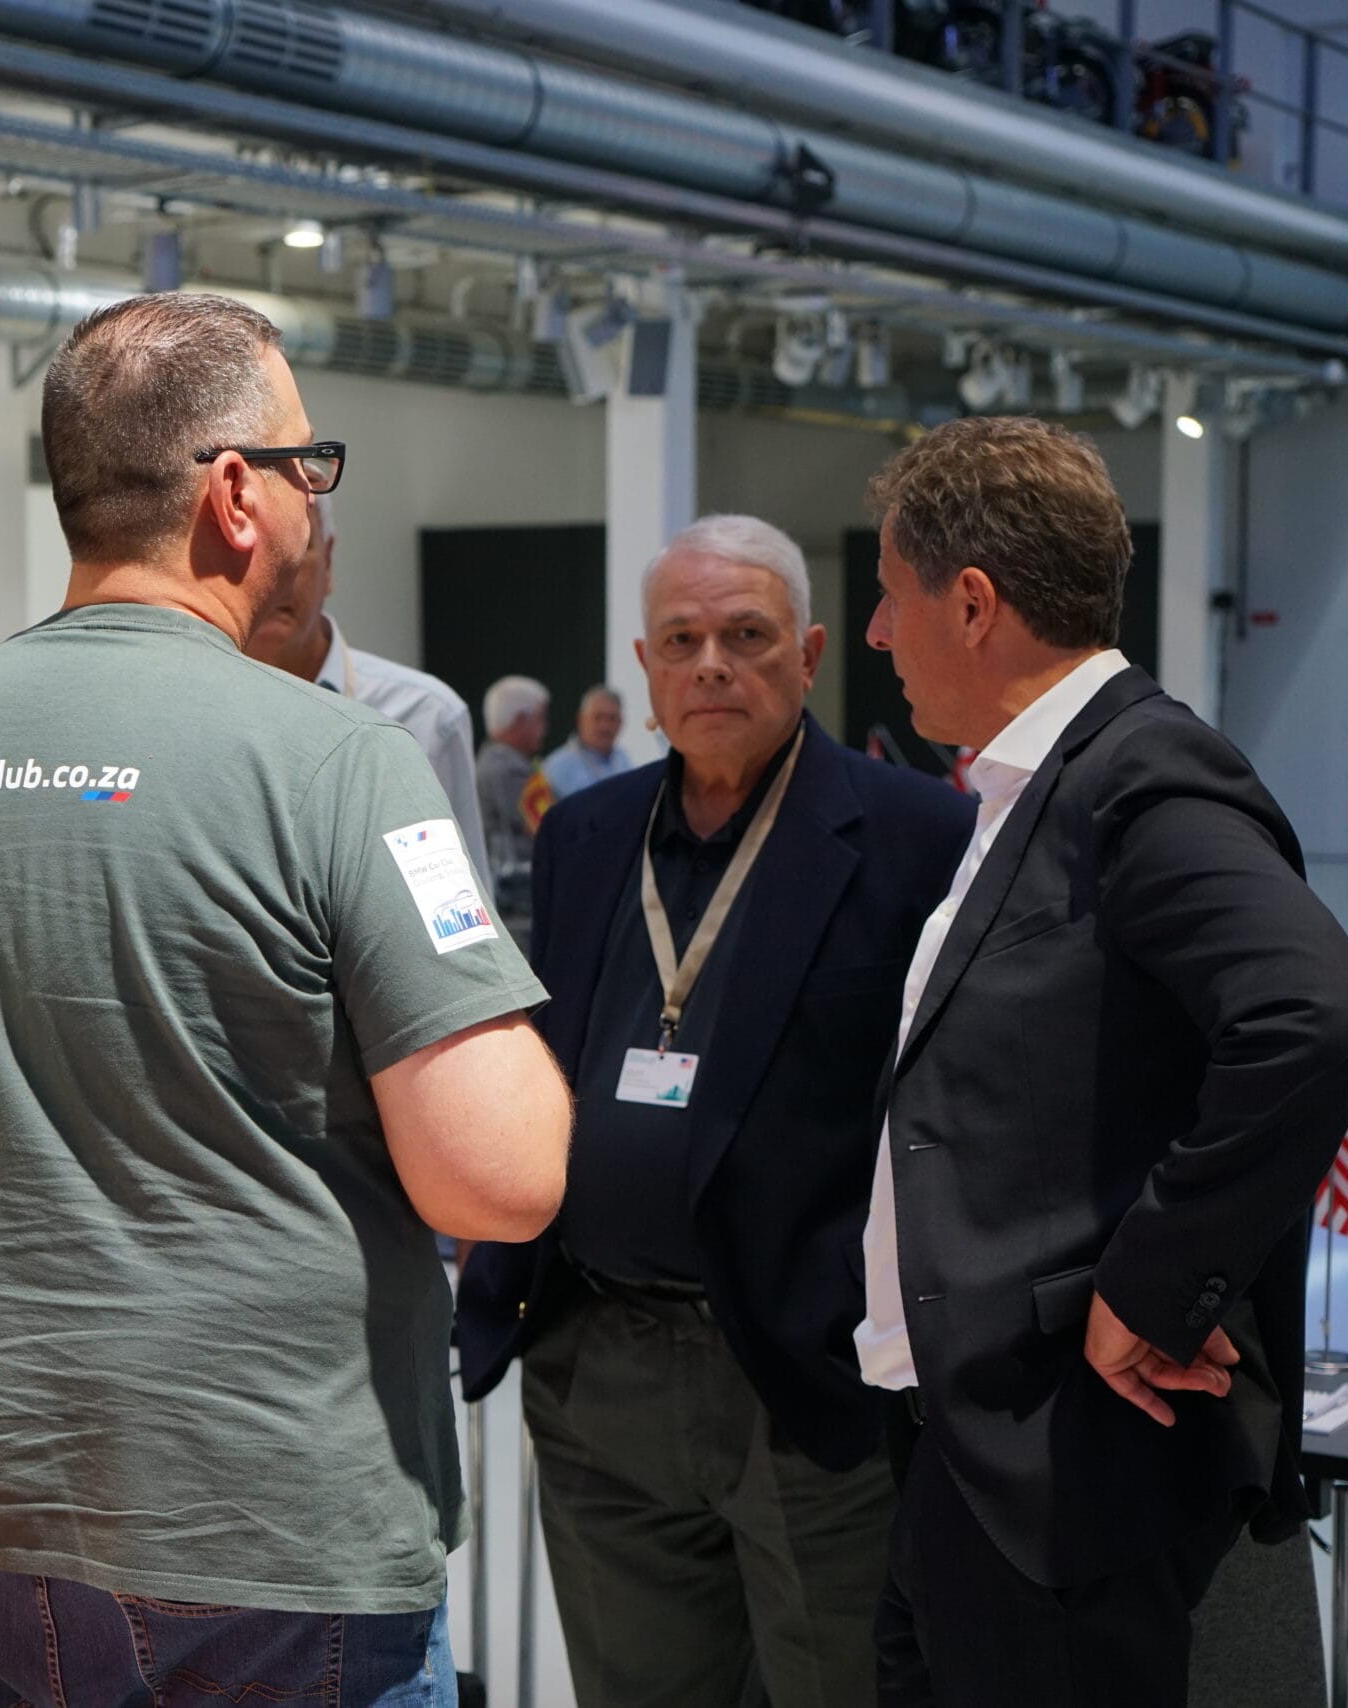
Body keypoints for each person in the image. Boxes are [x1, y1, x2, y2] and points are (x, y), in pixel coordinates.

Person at [0, 292, 572, 1708]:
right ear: (232, 496)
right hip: (275, 1537)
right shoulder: (340, 763)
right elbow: (500, 1176)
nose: (315, 500)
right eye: (306, 464)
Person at [855, 416, 1348, 1705]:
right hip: (968, 1455)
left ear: (971, 603)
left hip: (1065, 1474)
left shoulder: (1141, 774)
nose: (874, 632)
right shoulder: (1032, 785)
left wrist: (1153, 1287)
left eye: (888, 594)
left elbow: (1317, 1018)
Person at [456, 515, 973, 1708]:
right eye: (680, 641)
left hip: (801, 1368)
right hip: (599, 1359)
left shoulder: (919, 836)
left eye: (745, 637)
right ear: (644, 666)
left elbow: (960, 1110)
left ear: (809, 652)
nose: (711, 667)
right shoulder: (585, 835)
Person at [246, 493, 492, 886]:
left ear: (328, 562)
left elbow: (462, 903)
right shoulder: (181, 712)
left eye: (297, 543)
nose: (274, 570)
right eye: (247, 545)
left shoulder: (425, 717)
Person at [477, 674, 551, 935]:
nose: (545, 728)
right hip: (517, 908)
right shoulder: (508, 770)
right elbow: (546, 827)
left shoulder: (497, 761)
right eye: (540, 718)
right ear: (520, 720)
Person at [541, 685, 636, 800]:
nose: (605, 726)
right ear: (581, 719)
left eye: (612, 718)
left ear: (621, 723)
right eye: (598, 717)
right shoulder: (556, 766)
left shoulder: (624, 760)